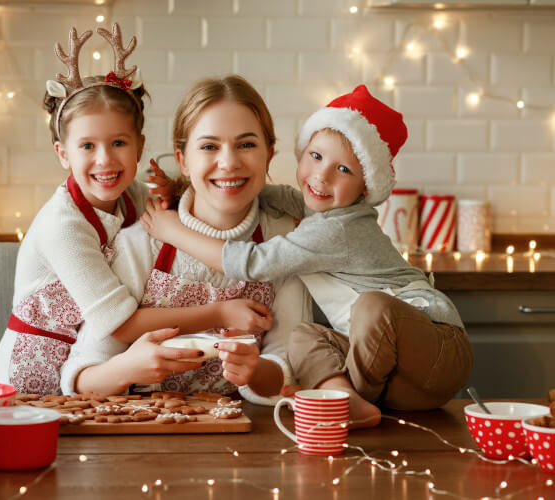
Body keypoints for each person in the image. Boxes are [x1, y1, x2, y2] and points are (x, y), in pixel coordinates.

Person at [141, 85, 473, 427]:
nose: (321, 175)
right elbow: (252, 188)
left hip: (434, 349)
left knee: (374, 307)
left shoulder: (337, 228)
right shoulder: (321, 208)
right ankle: (346, 401)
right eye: (315, 156)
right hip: (396, 377)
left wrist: (174, 232)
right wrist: (186, 185)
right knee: (304, 337)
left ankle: (341, 399)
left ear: (365, 188)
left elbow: (252, 262)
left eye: (343, 170)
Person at [0, 26, 272, 395]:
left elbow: (195, 191)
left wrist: (173, 190)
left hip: (86, 371)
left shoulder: (129, 195)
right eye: (87, 145)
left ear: (139, 148)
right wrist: (219, 312)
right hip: (27, 376)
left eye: (118, 142)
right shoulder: (64, 226)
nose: (105, 160)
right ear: (62, 153)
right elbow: (119, 325)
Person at [60, 75, 311, 402]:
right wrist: (128, 368)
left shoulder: (285, 243)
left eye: (246, 144)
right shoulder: (142, 244)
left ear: (269, 154)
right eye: (209, 146)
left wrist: (254, 369)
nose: (229, 162)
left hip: (246, 442)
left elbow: (285, 368)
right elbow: (81, 377)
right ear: (183, 160)